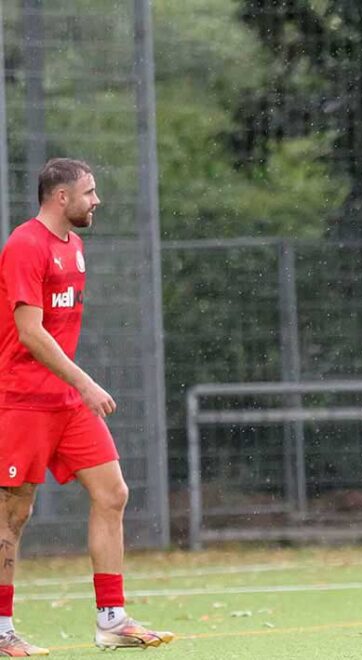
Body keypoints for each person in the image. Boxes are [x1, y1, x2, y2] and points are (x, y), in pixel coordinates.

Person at [0, 159, 174, 654]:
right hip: (22, 400)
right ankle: (1, 630)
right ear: (61, 197)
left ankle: (112, 620)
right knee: (13, 514)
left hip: (65, 400)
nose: (96, 200)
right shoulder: (25, 245)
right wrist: (87, 382)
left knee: (112, 493)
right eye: (89, 192)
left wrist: (75, 388)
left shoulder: (74, 246)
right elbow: (30, 333)